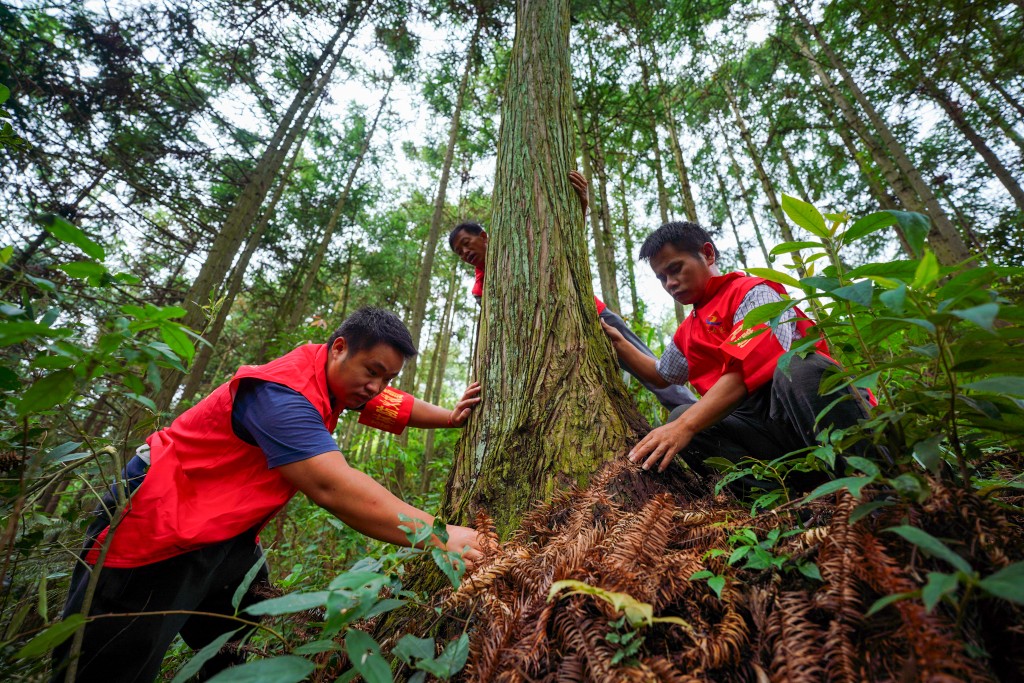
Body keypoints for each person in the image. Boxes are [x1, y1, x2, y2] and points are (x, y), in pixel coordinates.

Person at [52, 307, 484, 683]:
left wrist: (451, 417)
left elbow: (391, 403)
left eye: (386, 377)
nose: (376, 386)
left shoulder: (335, 379)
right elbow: (330, 485)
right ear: (339, 348)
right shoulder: (280, 395)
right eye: (372, 372)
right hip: (158, 523)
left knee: (236, 622)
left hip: (225, 530)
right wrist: (441, 536)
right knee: (116, 653)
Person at [602, 221, 872, 479]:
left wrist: (685, 427)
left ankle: (869, 480)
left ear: (707, 254)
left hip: (807, 410)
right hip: (760, 429)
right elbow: (662, 375)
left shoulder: (754, 292)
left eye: (676, 269)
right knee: (680, 414)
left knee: (802, 368)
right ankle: (783, 499)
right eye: (662, 277)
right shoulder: (688, 329)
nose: (670, 283)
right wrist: (617, 342)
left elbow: (751, 364)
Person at [447, 171, 696, 411]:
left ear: (484, 236)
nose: (465, 253)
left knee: (648, 367)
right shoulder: (481, 288)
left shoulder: (521, 245)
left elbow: (563, 243)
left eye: (466, 244)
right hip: (554, 336)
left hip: (595, 316)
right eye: (459, 253)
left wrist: (580, 207)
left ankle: (698, 414)